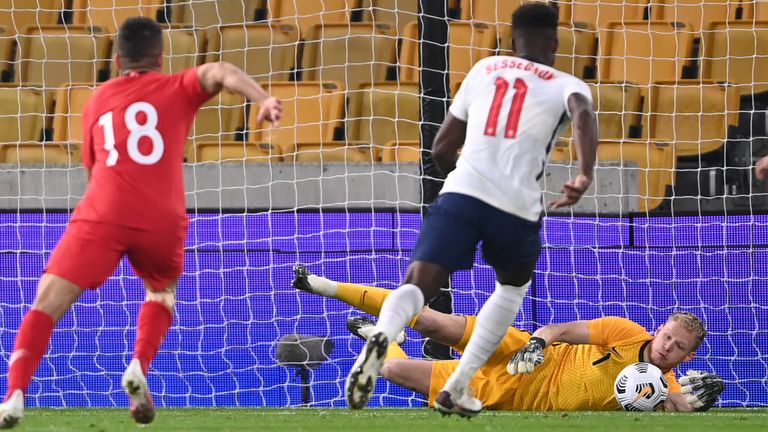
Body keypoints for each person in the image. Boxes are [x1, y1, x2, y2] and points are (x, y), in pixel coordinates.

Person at [0, 17, 282, 428]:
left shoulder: (97, 100)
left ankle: (14, 396)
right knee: (161, 293)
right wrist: (261, 98)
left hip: (104, 210)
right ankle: (139, 366)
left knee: (46, 303)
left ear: (116, 61)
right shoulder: (177, 87)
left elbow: (93, 170)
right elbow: (221, 71)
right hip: (161, 216)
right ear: (162, 58)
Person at [345, 3, 598, 416]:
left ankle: (384, 334)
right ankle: (458, 386)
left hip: (462, 191)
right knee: (512, 288)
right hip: (516, 204)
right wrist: (585, 174)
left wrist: (462, 182)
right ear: (555, 42)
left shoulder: (485, 69)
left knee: (418, 282)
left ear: (512, 40)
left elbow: (441, 148)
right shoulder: (568, 84)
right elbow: (583, 115)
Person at [293, 265, 726, 412]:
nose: (668, 345)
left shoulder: (660, 390)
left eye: (678, 346)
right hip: (520, 350)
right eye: (668, 335)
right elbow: (556, 330)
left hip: (512, 394)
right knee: (427, 321)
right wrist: (538, 343)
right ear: (660, 329)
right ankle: (325, 286)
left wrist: (701, 404)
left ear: (685, 358)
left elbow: (679, 406)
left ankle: (379, 338)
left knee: (390, 369)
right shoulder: (626, 333)